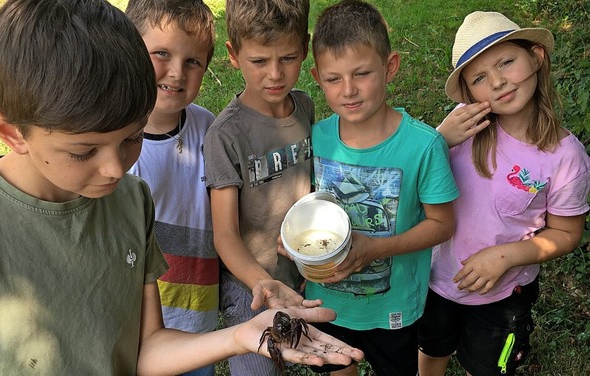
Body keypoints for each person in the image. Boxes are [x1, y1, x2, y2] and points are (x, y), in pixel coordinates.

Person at [0, 0, 367, 374]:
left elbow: (147, 348)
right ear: (11, 131)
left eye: (132, 139)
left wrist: (238, 337)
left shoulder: (131, 200)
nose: (115, 168)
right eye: (84, 151)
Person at [417, 11, 590, 376]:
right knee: (432, 346)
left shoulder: (566, 157)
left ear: (537, 56)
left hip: (501, 295)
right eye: (479, 78)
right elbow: (411, 178)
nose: (497, 82)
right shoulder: (462, 126)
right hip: (435, 277)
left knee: (486, 365)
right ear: (469, 93)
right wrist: (438, 141)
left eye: (506, 62)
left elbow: (566, 232)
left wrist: (504, 256)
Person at [296, 1, 460, 375]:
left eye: (362, 73)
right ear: (317, 77)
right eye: (333, 78)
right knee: (337, 367)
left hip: (394, 309)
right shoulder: (315, 139)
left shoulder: (424, 145)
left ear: (390, 67)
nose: (348, 90)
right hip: (327, 302)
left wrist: (377, 249)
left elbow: (443, 224)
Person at [202, 0, 317, 374]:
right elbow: (226, 236)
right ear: (234, 55)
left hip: (301, 273)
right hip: (249, 287)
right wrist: (263, 284)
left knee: (296, 357)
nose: (275, 74)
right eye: (259, 61)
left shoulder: (305, 107)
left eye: (288, 57)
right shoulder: (226, 135)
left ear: (305, 46)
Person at [125, 1, 218, 375]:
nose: (177, 73)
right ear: (130, 48)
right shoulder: (115, 147)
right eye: (161, 54)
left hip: (198, 317)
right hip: (139, 327)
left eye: (193, 61)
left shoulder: (211, 128)